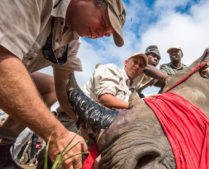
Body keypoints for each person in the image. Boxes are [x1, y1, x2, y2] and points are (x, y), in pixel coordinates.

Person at [0, 0, 126, 168]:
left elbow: (65, 91)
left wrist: (92, 132)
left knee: (50, 88)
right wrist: (56, 133)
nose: (100, 33)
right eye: (104, 23)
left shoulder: (71, 41)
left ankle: (2, 145)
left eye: (106, 34)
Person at [83, 53, 147, 109]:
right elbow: (104, 99)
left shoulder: (134, 92)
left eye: (141, 65)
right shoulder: (112, 69)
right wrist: (134, 106)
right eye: (135, 62)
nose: (137, 66)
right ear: (125, 62)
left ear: (141, 72)